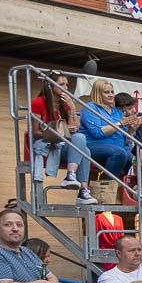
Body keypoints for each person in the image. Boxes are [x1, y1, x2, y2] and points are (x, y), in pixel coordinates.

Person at [28, 74, 97, 205]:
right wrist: (57, 133)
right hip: (47, 144)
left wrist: (72, 108)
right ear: (50, 85)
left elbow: (74, 129)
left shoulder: (64, 103)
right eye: (61, 84)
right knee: (83, 146)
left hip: (63, 144)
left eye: (67, 85)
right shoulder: (38, 102)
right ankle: (77, 185)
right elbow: (35, 132)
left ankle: (79, 185)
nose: (65, 87)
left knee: (83, 146)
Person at [79, 79, 137, 180]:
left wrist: (132, 129)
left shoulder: (117, 112)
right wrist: (120, 123)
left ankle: (126, 186)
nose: (111, 95)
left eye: (112, 92)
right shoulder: (90, 108)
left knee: (136, 157)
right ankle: (108, 184)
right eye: (106, 92)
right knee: (119, 153)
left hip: (119, 146)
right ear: (98, 93)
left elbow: (124, 137)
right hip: (94, 145)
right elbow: (97, 132)